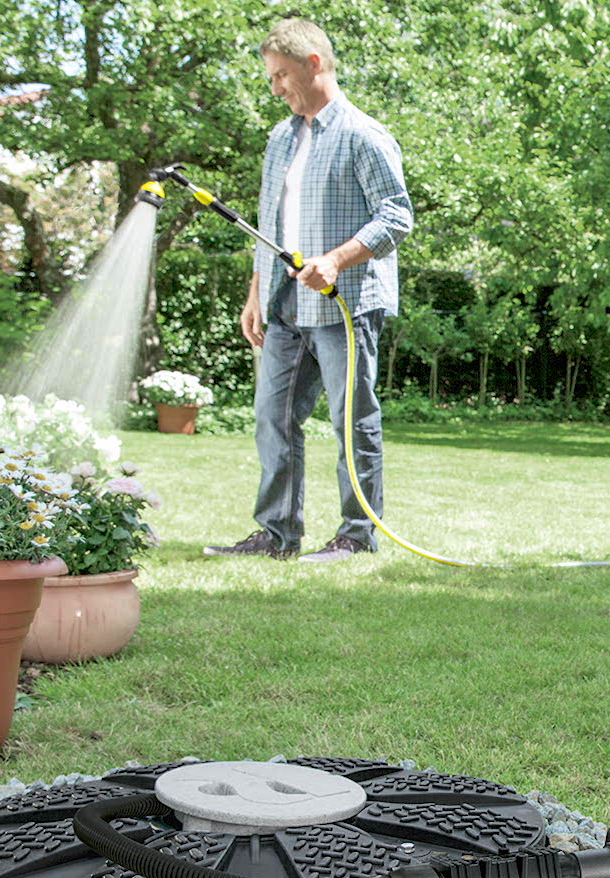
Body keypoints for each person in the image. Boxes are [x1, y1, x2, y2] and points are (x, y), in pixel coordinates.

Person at [204, 17, 412, 563]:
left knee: (351, 424)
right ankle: (276, 535)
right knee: (273, 419)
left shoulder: (363, 135)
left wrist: (336, 260)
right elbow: (268, 225)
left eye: (280, 76)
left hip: (346, 307)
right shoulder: (280, 138)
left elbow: (396, 218)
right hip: (285, 306)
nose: (274, 88)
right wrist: (255, 292)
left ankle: (356, 536)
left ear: (313, 64)